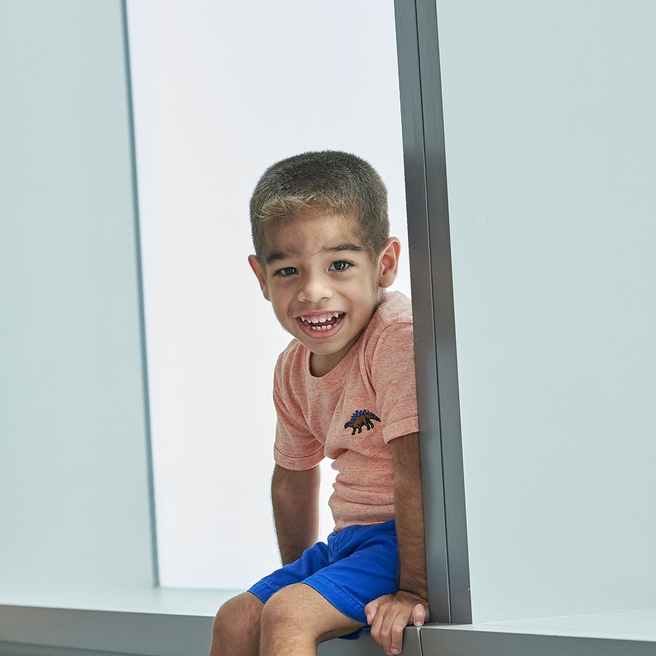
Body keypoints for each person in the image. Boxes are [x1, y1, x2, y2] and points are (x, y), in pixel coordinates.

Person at [209, 151, 428, 656]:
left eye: (340, 265)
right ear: (261, 278)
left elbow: (415, 469)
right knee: (237, 618)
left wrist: (414, 589)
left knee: (289, 613)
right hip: (349, 542)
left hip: (405, 540)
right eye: (287, 270)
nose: (313, 291)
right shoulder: (292, 366)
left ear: (385, 263)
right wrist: (300, 573)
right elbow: (292, 477)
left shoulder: (393, 339)